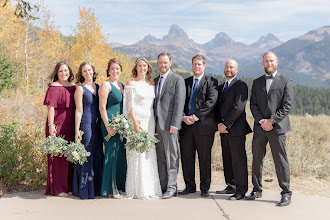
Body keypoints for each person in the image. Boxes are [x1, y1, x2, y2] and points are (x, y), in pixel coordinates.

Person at [246, 51, 293, 206]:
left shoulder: (286, 81)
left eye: (271, 61)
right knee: (257, 159)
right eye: (266, 61)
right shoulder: (257, 82)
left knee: (280, 160)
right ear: (263, 63)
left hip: (277, 128)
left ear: (277, 61)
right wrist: (261, 121)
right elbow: (253, 104)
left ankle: (286, 193)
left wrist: (271, 121)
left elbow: (287, 106)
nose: (269, 63)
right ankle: (256, 190)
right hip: (260, 128)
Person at [179, 55, 218, 197]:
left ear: (204, 65)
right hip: (186, 127)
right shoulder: (186, 82)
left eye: (199, 64)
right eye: (194, 64)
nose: (197, 67)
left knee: (204, 158)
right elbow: (180, 101)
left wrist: (195, 117)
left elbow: (211, 102)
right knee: (187, 157)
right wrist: (183, 116)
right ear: (192, 65)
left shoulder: (212, 82)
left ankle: (205, 188)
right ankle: (189, 186)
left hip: (204, 127)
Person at [123, 57, 162, 199]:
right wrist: (134, 123)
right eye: (140, 66)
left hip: (149, 121)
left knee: (149, 152)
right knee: (137, 152)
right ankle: (138, 189)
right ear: (136, 67)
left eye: (144, 66)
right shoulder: (131, 82)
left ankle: (149, 187)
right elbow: (129, 106)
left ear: (148, 68)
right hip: (137, 121)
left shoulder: (150, 83)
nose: (142, 68)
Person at [215, 59, 252, 200]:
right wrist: (219, 124)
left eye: (231, 67)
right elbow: (217, 109)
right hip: (223, 130)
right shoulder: (221, 87)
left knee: (239, 160)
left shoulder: (241, 85)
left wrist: (226, 124)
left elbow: (239, 107)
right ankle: (231, 185)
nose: (228, 69)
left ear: (237, 69)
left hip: (236, 130)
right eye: (226, 67)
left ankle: (241, 190)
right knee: (227, 159)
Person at [154, 53, 185, 199]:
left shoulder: (177, 80)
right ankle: (163, 185)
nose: (163, 65)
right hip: (156, 125)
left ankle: (172, 187)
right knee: (160, 156)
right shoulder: (154, 81)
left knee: (171, 156)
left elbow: (179, 103)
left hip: (170, 125)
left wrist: (176, 123)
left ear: (170, 62)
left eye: (165, 62)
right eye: (160, 62)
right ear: (157, 63)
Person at [44, 61, 76, 196]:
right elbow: (51, 108)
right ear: (57, 73)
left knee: (70, 155)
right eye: (61, 71)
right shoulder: (53, 87)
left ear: (70, 72)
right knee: (58, 157)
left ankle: (69, 186)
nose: (64, 73)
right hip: (56, 125)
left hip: (71, 124)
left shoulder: (74, 87)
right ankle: (58, 188)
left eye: (66, 70)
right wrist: (51, 126)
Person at [72, 62, 104, 199]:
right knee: (87, 153)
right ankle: (85, 189)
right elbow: (78, 110)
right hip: (86, 124)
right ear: (81, 73)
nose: (87, 73)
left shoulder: (98, 86)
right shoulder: (80, 89)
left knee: (98, 153)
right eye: (84, 71)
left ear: (93, 71)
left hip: (98, 125)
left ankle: (97, 188)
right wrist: (77, 130)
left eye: (89, 70)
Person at [99, 58, 127, 199]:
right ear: (108, 70)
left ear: (121, 71)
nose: (115, 71)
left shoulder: (122, 85)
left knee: (120, 155)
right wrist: (108, 126)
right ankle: (111, 189)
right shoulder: (106, 85)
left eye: (117, 69)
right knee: (111, 154)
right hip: (110, 123)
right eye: (112, 69)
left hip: (121, 125)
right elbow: (102, 107)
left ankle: (120, 186)